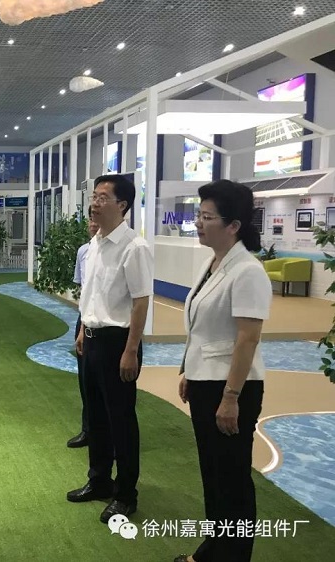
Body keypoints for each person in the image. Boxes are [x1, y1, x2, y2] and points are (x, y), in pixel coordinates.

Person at [174, 180, 271, 562]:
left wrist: (230, 397)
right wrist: (189, 370)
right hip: (206, 382)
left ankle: (232, 555)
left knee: (232, 480)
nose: (198, 223)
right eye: (199, 215)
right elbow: (203, 327)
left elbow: (247, 338)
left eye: (207, 217)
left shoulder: (247, 271)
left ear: (233, 226)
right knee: (214, 475)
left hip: (231, 388)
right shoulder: (212, 263)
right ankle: (212, 550)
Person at [67, 174, 153, 524]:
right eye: (94, 196)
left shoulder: (134, 247)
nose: (94, 203)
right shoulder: (95, 244)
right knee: (97, 417)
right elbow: (92, 293)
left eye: (103, 197)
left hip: (119, 343)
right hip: (92, 340)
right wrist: (83, 330)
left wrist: (131, 350)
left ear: (123, 205)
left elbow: (141, 302)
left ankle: (126, 494)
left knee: (121, 421)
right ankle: (99, 480)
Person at [68, 207, 100, 448]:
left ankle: (110, 434)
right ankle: (88, 429)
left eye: (96, 218)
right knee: (86, 379)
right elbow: (82, 289)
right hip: (85, 319)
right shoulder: (84, 252)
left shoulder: (129, 249)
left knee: (107, 383)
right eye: (90, 219)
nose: (93, 223)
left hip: (109, 325)